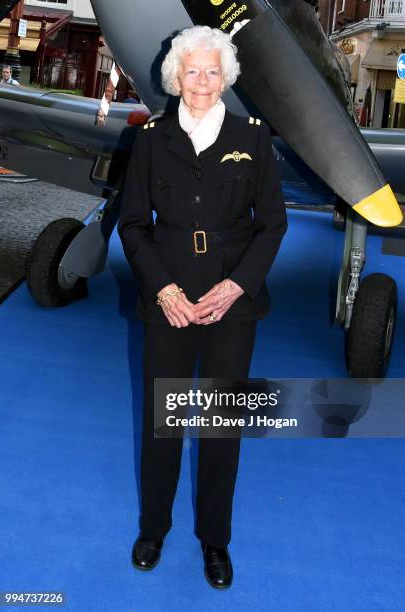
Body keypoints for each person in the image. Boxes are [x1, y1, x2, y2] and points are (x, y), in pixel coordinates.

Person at [118, 25, 287, 589]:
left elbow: (272, 225)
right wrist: (163, 289)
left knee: (219, 426)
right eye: (193, 70)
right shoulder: (150, 140)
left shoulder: (254, 139)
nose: (203, 81)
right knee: (163, 421)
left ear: (226, 78)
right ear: (175, 76)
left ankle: (215, 539)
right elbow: (134, 224)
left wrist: (237, 285)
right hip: (168, 299)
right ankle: (153, 529)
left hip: (229, 304)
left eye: (213, 71)